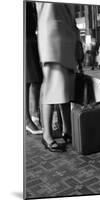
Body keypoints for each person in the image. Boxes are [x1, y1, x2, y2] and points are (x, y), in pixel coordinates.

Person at [36, 2, 80, 152]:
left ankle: (67, 130)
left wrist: (77, 39)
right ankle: (47, 134)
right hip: (52, 36)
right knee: (52, 86)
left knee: (65, 89)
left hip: (68, 37)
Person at [26, 2, 43, 135]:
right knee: (26, 82)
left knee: (36, 80)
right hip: (24, 40)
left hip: (33, 39)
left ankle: (35, 116)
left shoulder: (31, 4)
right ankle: (26, 120)